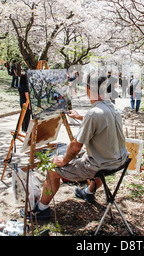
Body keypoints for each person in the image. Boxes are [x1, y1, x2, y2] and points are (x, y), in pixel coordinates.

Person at [21, 73, 129, 220]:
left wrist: (63, 161)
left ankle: (41, 209)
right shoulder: (112, 107)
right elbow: (103, 121)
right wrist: (80, 117)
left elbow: (75, 147)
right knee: (87, 155)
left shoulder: (93, 114)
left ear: (88, 89)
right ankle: (88, 192)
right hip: (119, 161)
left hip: (101, 166)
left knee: (53, 169)